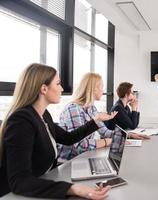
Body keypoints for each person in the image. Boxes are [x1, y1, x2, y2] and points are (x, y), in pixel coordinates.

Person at [0, 64, 113, 199]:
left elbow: (68, 138)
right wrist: (71, 188)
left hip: (41, 185)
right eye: (58, 84)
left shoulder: (43, 114)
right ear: (44, 89)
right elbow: (20, 181)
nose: (62, 88)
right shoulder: (21, 121)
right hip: (15, 195)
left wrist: (95, 121)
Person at [58, 73, 116, 160]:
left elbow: (105, 132)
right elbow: (80, 145)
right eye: (102, 87)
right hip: (69, 161)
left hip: (84, 157)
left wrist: (126, 136)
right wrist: (107, 141)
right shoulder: (73, 109)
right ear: (94, 89)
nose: (103, 90)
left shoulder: (92, 109)